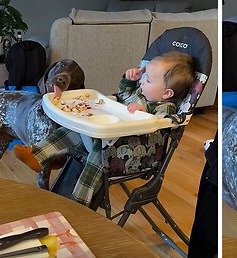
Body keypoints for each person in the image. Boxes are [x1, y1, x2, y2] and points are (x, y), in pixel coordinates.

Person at [14, 52, 194, 206]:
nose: (142, 82)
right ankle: (38, 155)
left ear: (166, 94)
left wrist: (145, 114)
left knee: (97, 155)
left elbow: (157, 125)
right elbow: (122, 95)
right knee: (73, 131)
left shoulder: (165, 109)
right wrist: (128, 81)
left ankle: (79, 201)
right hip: (109, 138)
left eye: (148, 80)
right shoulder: (140, 93)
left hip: (133, 152)